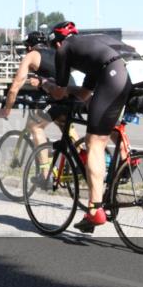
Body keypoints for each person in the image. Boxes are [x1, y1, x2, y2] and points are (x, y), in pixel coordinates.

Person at [39, 21, 132, 233]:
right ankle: (126, 164)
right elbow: (83, 94)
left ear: (56, 43)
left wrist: (44, 84)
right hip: (122, 75)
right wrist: (71, 90)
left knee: (94, 143)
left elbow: (59, 92)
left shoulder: (64, 50)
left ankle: (94, 209)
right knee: (104, 132)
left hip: (111, 78)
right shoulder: (88, 51)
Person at [0, 31, 71, 152]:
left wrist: (7, 109)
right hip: (73, 95)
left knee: (35, 126)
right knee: (65, 126)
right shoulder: (57, 52)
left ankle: (44, 169)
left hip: (58, 97)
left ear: (29, 47)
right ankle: (81, 158)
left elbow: (14, 88)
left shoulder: (32, 55)